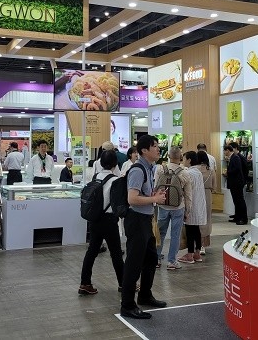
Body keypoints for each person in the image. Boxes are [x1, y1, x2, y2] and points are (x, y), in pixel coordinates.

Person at [120, 134, 167, 320]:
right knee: (134, 263)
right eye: (154, 146)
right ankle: (127, 305)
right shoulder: (138, 170)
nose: (158, 149)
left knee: (150, 259)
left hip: (146, 219)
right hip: (136, 220)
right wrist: (154, 198)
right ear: (144, 150)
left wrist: (153, 195)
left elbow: (142, 194)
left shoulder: (149, 168)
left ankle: (145, 295)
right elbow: (132, 199)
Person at [78, 150, 124, 295]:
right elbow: (118, 205)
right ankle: (123, 284)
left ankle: (85, 283)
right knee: (116, 253)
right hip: (109, 221)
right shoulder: (116, 180)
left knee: (92, 251)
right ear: (115, 163)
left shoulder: (96, 176)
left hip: (94, 219)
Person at [154, 146, 192, 270]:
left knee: (160, 233)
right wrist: (188, 210)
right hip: (178, 207)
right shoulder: (184, 172)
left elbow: (155, 186)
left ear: (169, 156)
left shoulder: (160, 169)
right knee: (175, 234)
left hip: (162, 205)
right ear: (180, 157)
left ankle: (156, 259)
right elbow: (188, 194)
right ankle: (172, 261)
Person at [178, 151, 207, 264]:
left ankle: (190, 254)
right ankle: (197, 253)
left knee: (190, 230)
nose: (183, 161)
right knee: (196, 230)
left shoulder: (188, 173)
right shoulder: (198, 172)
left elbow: (185, 190)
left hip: (191, 205)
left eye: (184, 158)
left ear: (189, 160)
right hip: (199, 205)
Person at [223, 145, 247, 225]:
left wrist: (228, 172)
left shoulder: (235, 157)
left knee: (240, 201)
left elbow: (237, 169)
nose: (224, 152)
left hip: (237, 183)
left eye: (224, 151)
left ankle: (243, 218)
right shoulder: (232, 157)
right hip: (234, 183)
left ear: (228, 150)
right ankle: (237, 216)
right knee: (236, 201)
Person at [197, 151, 214, 255]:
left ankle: (197, 244)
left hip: (197, 194)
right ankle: (204, 244)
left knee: (197, 218)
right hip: (207, 194)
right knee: (207, 218)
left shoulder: (194, 170)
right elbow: (214, 186)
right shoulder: (211, 171)